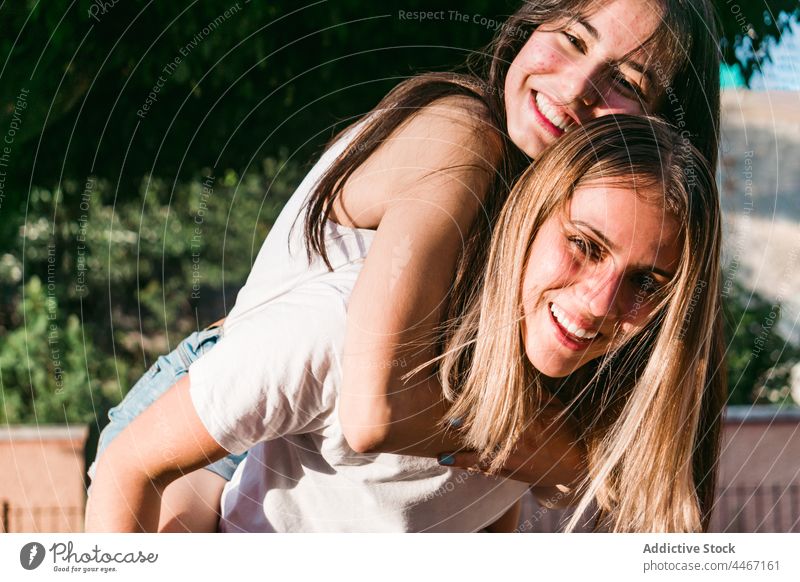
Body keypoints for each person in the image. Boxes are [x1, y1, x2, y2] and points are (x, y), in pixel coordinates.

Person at [87, 0, 723, 531]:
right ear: (531, 26)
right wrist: (573, 463)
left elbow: (464, 488)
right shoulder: (462, 136)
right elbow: (376, 409)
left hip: (318, 439)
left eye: (626, 84)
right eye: (572, 39)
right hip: (227, 421)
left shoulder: (575, 249)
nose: (578, 88)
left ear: (661, 136)